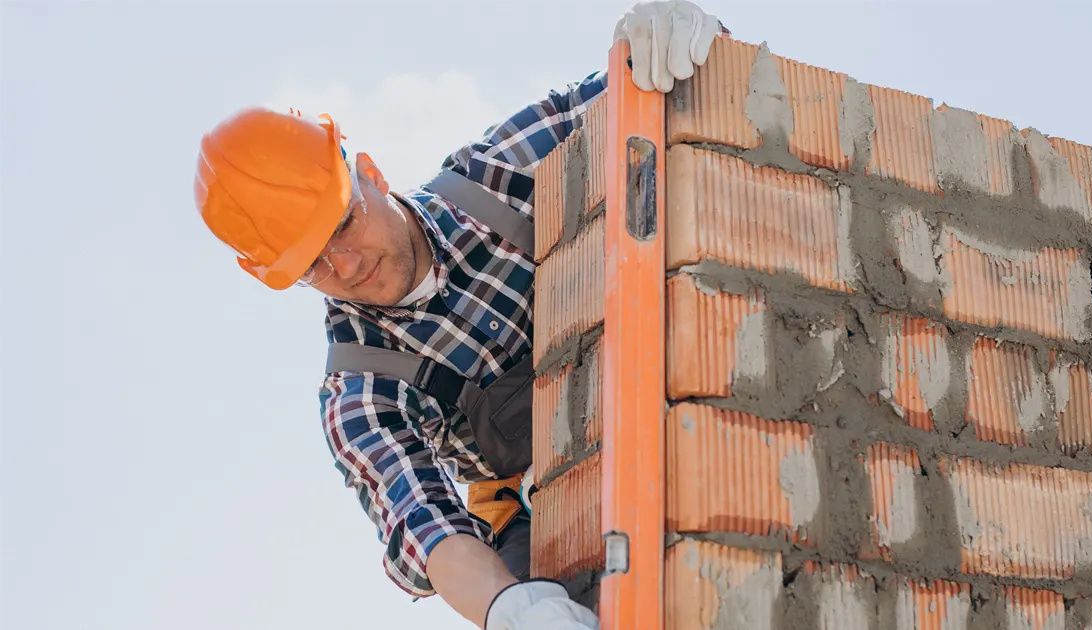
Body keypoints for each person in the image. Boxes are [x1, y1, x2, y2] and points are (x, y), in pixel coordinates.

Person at [192, 2, 724, 628]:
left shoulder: (498, 176)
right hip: (545, 509)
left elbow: (643, 86)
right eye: (312, 263)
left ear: (367, 172)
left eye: (342, 223)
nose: (346, 264)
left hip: (670, 390)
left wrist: (669, 44)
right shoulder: (361, 389)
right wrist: (515, 611)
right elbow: (426, 522)